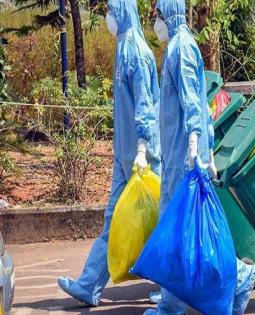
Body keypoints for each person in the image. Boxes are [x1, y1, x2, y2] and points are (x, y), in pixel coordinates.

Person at [145, 0, 255, 314]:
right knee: (181, 229)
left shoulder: (181, 48)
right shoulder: (178, 46)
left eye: (156, 15)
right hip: (178, 155)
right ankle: (175, 301)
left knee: (182, 228)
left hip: (184, 157)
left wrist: (194, 146)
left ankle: (234, 277)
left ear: (168, 14)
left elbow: (193, 102)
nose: (155, 22)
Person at [57, 0, 161, 306]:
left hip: (144, 158)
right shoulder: (123, 47)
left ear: (123, 12)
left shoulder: (137, 53)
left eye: (110, 12)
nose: (107, 18)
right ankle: (89, 284)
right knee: (113, 219)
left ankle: (210, 282)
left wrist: (142, 148)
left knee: (168, 222)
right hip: (125, 158)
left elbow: (145, 107)